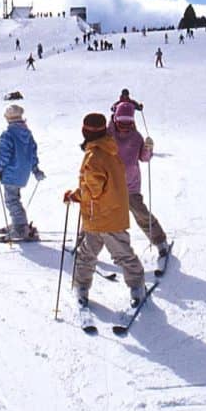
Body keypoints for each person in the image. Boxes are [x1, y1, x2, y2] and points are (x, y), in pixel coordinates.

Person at [64, 113, 145, 308]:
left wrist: (75, 196)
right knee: (117, 253)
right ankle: (135, 287)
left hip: (100, 216)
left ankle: (83, 287)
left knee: (92, 254)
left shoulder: (94, 157)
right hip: (111, 213)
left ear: (86, 132)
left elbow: (93, 191)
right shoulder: (110, 149)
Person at [108, 102, 169, 257]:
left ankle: (160, 241)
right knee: (98, 214)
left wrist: (148, 149)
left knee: (141, 214)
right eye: (121, 122)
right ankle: (84, 244)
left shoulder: (136, 137)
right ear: (116, 120)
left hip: (130, 186)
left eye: (128, 123)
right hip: (109, 186)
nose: (124, 126)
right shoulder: (109, 134)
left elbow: (144, 158)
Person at [0, 104, 45, 241]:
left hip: (11, 173)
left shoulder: (7, 135)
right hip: (23, 173)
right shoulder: (27, 133)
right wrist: (35, 170)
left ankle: (20, 228)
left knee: (12, 201)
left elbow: (4, 155)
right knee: (15, 198)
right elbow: (32, 153)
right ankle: (18, 223)